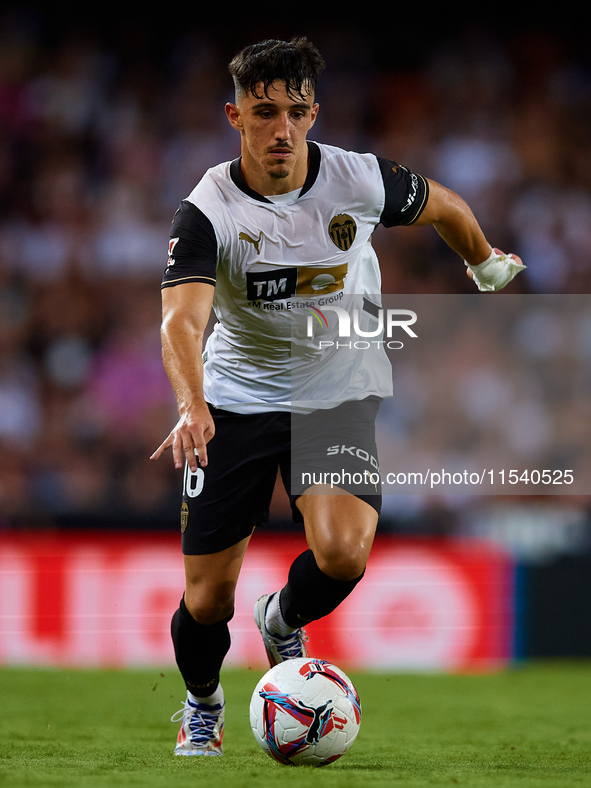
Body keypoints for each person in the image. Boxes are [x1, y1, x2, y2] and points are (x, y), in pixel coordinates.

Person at [150, 36, 525, 756]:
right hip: (235, 398)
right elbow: (180, 318)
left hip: (336, 392)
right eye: (264, 113)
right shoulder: (208, 209)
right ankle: (202, 704)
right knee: (205, 600)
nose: (281, 129)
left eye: (294, 112)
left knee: (345, 554)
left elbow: (445, 206)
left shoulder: (357, 179)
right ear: (235, 116)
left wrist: (482, 263)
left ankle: (283, 619)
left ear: (314, 113)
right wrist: (192, 404)